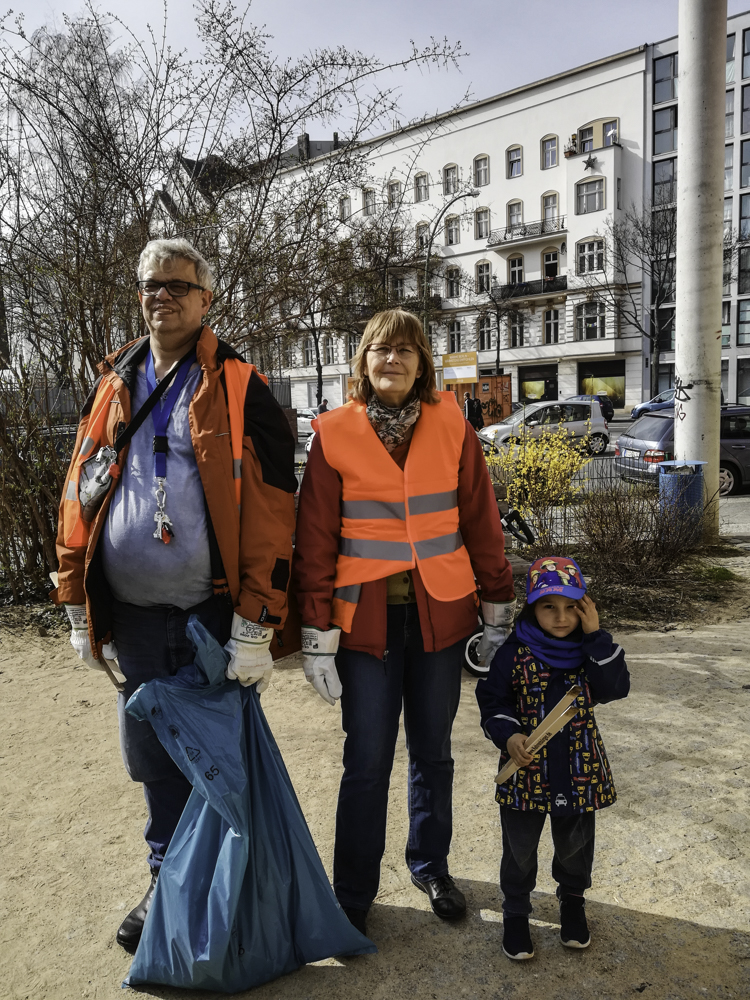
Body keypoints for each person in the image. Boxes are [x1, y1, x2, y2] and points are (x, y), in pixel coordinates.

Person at [52, 237, 297, 951]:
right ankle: (167, 880)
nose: (162, 295)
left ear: (205, 299)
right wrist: (76, 602)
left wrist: (257, 621)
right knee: (154, 756)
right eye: (150, 284)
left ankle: (226, 893)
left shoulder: (244, 389)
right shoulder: (113, 384)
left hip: (211, 616)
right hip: (130, 617)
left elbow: (274, 514)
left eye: (177, 285)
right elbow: (79, 494)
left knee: (216, 758)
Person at [293, 308, 516, 938]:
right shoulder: (333, 433)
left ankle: (430, 866)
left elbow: (481, 520)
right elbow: (314, 540)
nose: (392, 360)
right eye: (380, 351)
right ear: (362, 362)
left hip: (440, 619)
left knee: (434, 753)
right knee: (365, 759)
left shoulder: (453, 427)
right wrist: (315, 635)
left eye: (406, 352)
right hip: (362, 626)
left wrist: (497, 613)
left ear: (422, 365)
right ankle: (353, 891)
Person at [476, 556, 630, 961]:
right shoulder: (514, 653)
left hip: (579, 768)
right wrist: (508, 735)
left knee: (575, 845)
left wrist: (596, 635)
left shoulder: (590, 650)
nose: (561, 618)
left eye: (571, 607)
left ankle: (573, 904)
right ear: (532, 608)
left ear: (585, 608)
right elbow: (492, 700)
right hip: (526, 770)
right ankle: (515, 913)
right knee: (520, 847)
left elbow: (615, 688)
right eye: (549, 607)